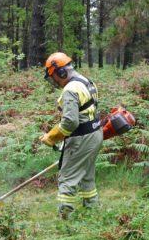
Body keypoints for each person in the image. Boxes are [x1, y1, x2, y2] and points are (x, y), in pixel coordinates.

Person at [39, 52, 103, 219]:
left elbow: (70, 122)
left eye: (55, 77)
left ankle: (65, 219)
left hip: (81, 138)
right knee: (87, 175)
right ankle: (93, 211)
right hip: (95, 134)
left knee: (67, 177)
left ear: (61, 72)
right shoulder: (86, 82)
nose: (55, 82)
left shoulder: (70, 89)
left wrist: (51, 137)